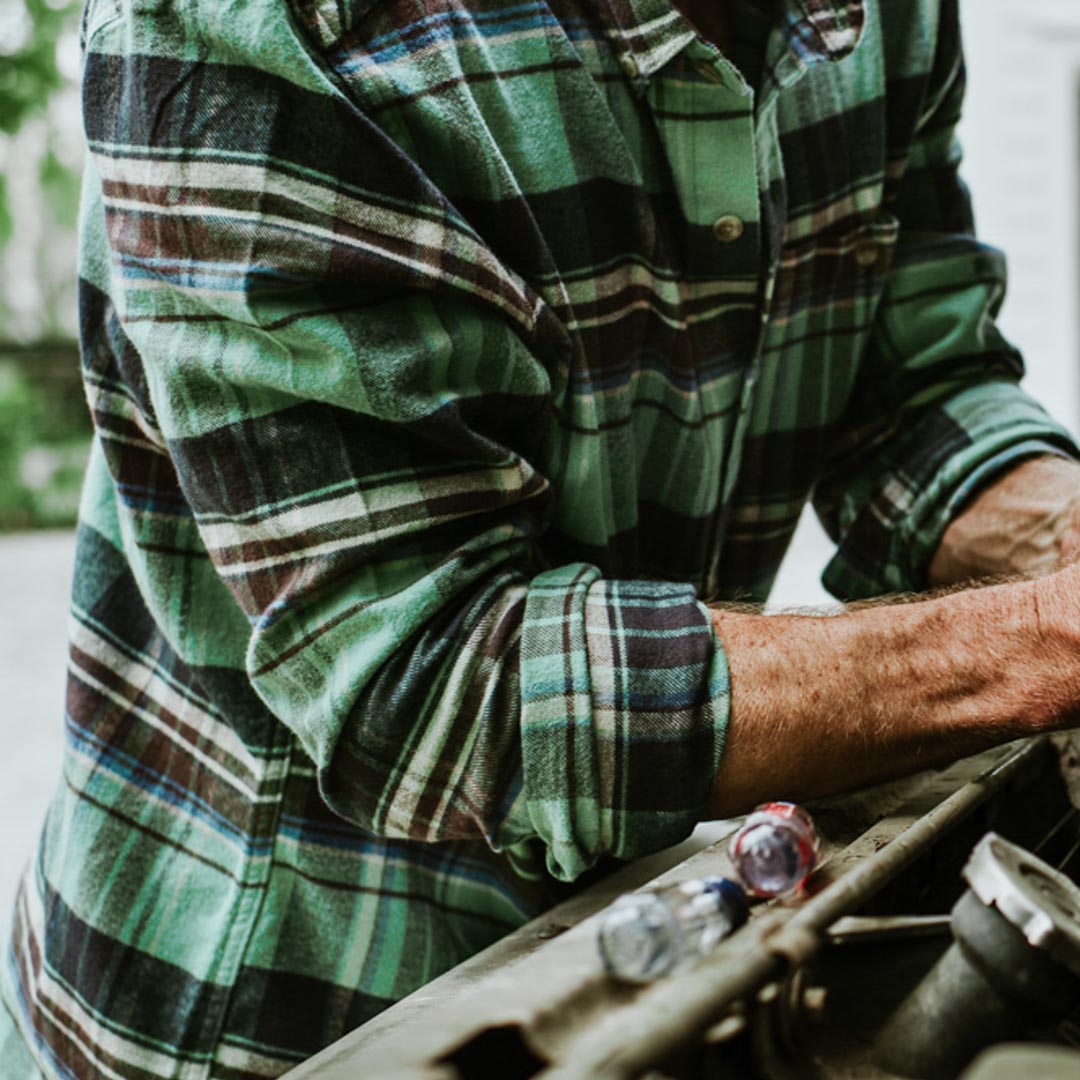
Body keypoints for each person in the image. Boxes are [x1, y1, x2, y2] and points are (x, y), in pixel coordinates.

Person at [4, 0, 1080, 1075]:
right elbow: (439, 678)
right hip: (275, 1015)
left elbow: (913, 394)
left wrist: (1064, 542)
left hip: (643, 936)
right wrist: (1038, 642)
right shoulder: (251, 26)